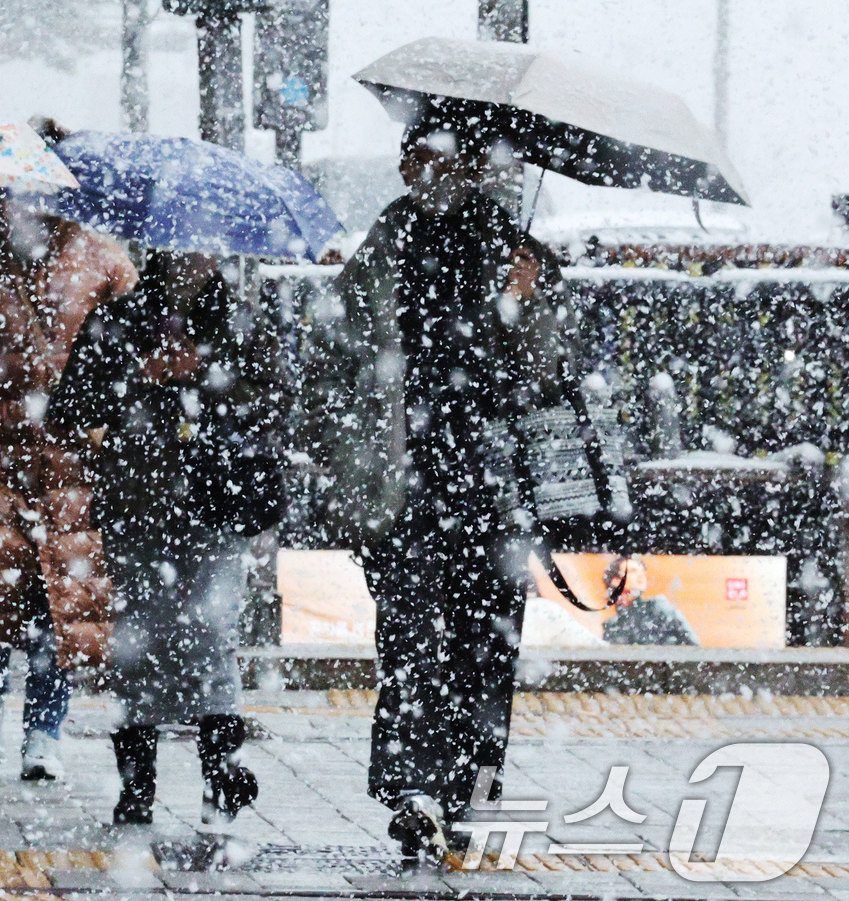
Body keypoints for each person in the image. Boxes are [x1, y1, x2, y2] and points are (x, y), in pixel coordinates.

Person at [299, 112, 575, 860]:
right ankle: (414, 787)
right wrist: (348, 453)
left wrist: (527, 302)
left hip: (492, 484)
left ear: (461, 160)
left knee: (485, 641)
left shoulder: (518, 253)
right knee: (415, 638)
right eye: (406, 151)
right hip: (406, 482)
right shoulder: (390, 240)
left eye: (419, 151)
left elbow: (546, 376)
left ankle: (468, 789)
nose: (406, 164)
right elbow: (332, 349)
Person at [49, 250, 284, 826]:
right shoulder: (120, 319)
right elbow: (68, 408)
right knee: (140, 644)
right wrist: (138, 377)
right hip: (139, 504)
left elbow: (274, 407)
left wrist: (206, 380)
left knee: (210, 632)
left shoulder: (241, 322)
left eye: (201, 248)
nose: (189, 260)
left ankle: (219, 776)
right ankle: (137, 788)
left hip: (217, 504)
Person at [0, 191, 136, 780]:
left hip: (69, 461)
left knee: (58, 602)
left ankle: (45, 731)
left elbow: (125, 350)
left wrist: (104, 414)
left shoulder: (103, 263)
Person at [601, 556, 700, 645]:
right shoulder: (612, 625)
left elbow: (694, 646)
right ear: (616, 581)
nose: (641, 575)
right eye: (632, 571)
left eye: (642, 571)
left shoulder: (658, 607)